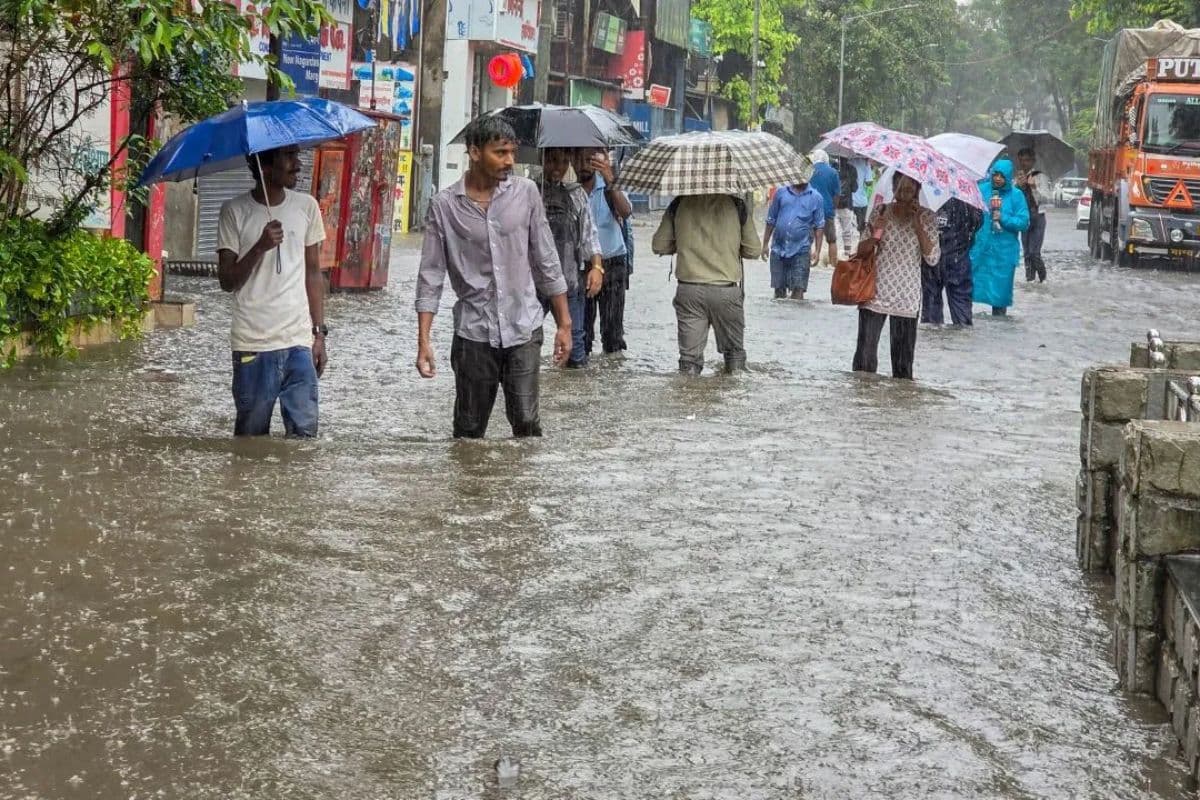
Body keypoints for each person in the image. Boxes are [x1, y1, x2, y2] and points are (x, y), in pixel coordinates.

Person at [415, 116, 572, 438]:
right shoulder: (445, 206)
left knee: (527, 424)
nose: (510, 161)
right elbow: (431, 275)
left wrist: (565, 325)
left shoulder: (526, 193)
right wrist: (424, 341)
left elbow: (546, 260)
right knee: (469, 432)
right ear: (474, 152)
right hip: (474, 333)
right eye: (500, 152)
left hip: (524, 328)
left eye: (512, 152)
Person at [216, 145, 327, 438]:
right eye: (288, 157)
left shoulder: (307, 207)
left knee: (304, 440)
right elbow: (227, 281)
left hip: (298, 343)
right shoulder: (233, 212)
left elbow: (314, 273)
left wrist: (319, 334)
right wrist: (260, 247)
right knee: (250, 442)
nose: (297, 164)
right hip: (253, 343)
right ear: (264, 166)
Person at [651, 193, 759, 375]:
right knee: (735, 362)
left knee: (689, 364)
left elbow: (659, 245)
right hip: (726, 292)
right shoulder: (737, 205)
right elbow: (754, 250)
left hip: (689, 291)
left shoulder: (679, 203)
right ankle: (737, 401)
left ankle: (689, 399)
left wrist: (682, 244)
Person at [852, 173, 940, 380]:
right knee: (864, 361)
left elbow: (933, 258)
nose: (902, 196)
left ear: (918, 192)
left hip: (906, 298)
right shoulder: (880, 212)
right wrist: (877, 233)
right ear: (893, 190)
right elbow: (861, 251)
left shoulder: (928, 218)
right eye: (899, 190)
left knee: (902, 368)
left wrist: (919, 226)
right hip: (875, 293)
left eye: (908, 191)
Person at [539, 147, 604, 367]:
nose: (557, 167)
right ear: (543, 159)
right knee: (525, 341)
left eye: (563, 161)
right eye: (552, 160)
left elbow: (589, 235)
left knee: (576, 345)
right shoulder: (529, 192)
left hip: (569, 283)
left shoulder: (576, 194)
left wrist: (596, 267)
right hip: (534, 284)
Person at [575, 148, 633, 356]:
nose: (583, 165)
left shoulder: (610, 187)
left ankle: (613, 379)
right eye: (578, 159)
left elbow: (626, 212)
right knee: (582, 335)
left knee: (613, 335)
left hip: (613, 265)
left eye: (588, 160)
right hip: (583, 268)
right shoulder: (572, 192)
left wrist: (610, 178)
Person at [970, 159, 1030, 316]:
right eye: (995, 174)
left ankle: (998, 329)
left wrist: (1003, 218)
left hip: (1004, 254)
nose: (997, 179)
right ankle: (966, 328)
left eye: (1001, 176)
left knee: (999, 297)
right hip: (980, 250)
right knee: (968, 290)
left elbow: (1023, 222)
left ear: (1008, 177)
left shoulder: (1016, 196)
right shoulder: (981, 190)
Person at [761, 167, 824, 300]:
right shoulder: (781, 192)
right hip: (778, 249)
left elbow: (819, 226)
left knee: (798, 291)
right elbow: (771, 219)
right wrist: (765, 244)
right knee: (779, 293)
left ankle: (796, 319)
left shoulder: (816, 197)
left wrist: (817, 251)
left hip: (801, 249)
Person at [921, 198, 983, 326]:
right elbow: (977, 223)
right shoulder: (966, 195)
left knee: (931, 315)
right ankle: (959, 343)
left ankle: (934, 343)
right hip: (957, 258)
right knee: (962, 315)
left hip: (933, 258)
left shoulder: (927, 194)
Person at [1014, 147, 1050, 282]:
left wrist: (1034, 187)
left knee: (1035, 253)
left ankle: (1043, 280)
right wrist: (1018, 186)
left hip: (1038, 217)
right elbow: (1013, 199)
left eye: (1027, 160)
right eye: (1022, 160)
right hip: (1024, 218)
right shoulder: (1017, 177)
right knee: (1027, 254)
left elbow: (1047, 198)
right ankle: (1029, 281)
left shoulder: (1040, 176)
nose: (1024, 163)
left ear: (1033, 160)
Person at [807, 149, 841, 266]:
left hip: (809, 210)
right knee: (832, 240)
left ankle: (808, 262)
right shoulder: (833, 172)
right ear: (826, 159)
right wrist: (833, 209)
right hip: (827, 210)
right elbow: (837, 195)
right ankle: (833, 265)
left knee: (807, 240)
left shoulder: (808, 171)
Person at [835, 157, 860, 258]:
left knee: (834, 230)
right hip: (847, 204)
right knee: (847, 231)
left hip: (834, 204)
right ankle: (846, 254)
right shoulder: (852, 169)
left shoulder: (833, 168)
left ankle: (833, 254)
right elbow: (854, 189)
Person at [851, 157, 871, 232]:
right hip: (863, 200)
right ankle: (860, 240)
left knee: (858, 224)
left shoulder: (849, 161)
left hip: (853, 199)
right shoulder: (866, 163)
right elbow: (869, 182)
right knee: (862, 225)